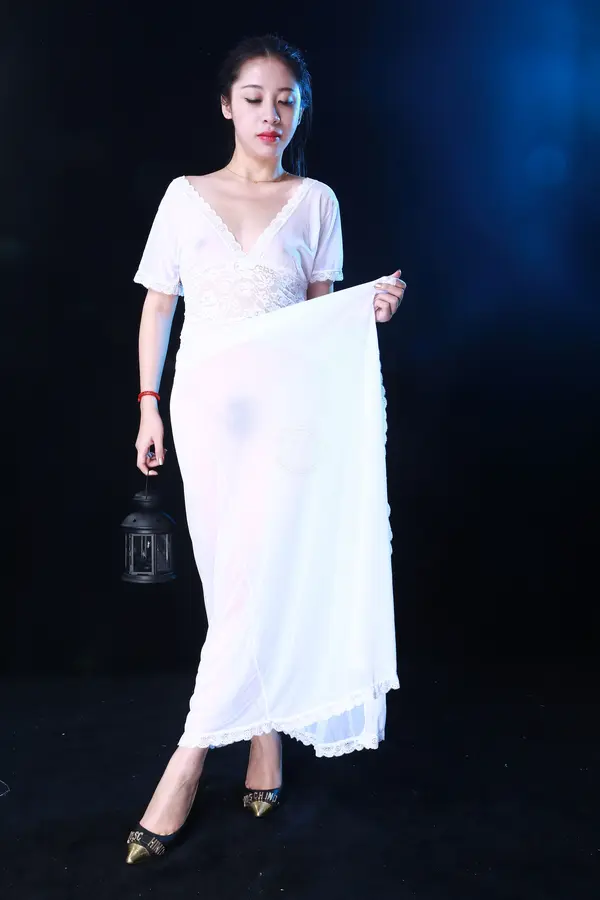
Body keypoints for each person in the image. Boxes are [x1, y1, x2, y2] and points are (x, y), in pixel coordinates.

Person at [125, 34, 406, 864]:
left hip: (288, 420)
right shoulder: (184, 197)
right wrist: (148, 408)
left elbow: (318, 322)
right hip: (209, 414)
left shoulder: (315, 200)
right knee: (232, 579)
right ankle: (264, 739)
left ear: (300, 111)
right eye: (255, 98)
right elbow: (157, 308)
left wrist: (364, 310)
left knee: (264, 573)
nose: (271, 114)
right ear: (227, 105)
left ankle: (185, 765)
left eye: (287, 100)